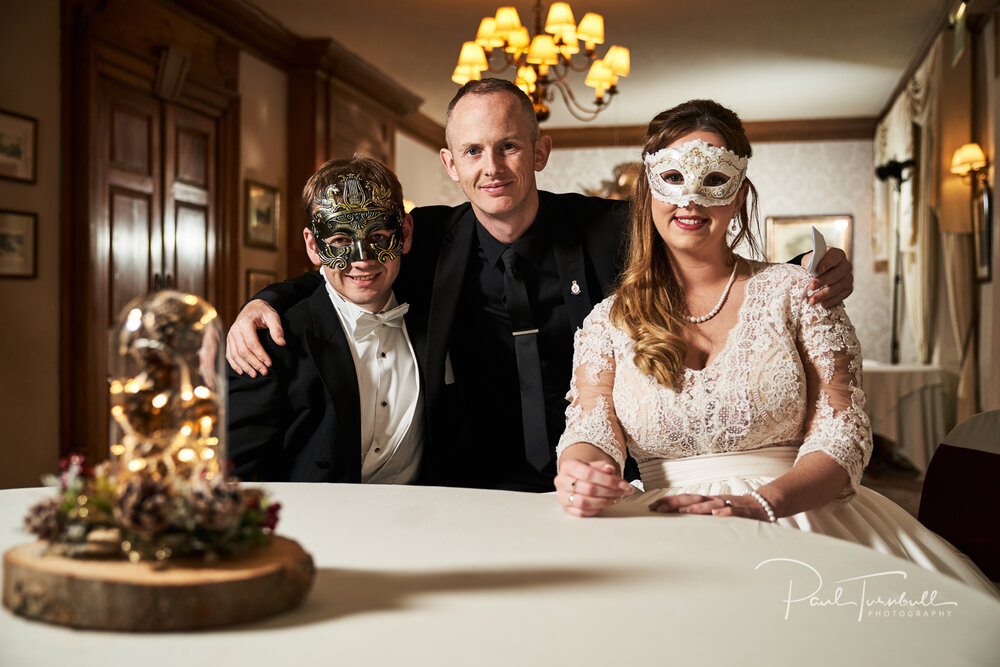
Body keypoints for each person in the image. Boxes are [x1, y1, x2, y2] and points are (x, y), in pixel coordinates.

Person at [226, 79, 854, 492]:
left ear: (541, 151)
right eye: (472, 151)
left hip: (602, 475)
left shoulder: (612, 230)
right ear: (450, 164)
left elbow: (702, 245)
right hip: (466, 480)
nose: (491, 168)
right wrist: (263, 302)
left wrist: (812, 266)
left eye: (508, 147)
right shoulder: (424, 239)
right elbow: (343, 266)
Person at [553, 99, 996, 594]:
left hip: (801, 519)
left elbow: (844, 434)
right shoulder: (608, 320)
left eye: (714, 179)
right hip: (663, 530)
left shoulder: (802, 292)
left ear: (740, 194)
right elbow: (591, 428)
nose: (691, 200)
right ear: (647, 193)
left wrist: (764, 504)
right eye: (673, 177)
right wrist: (581, 471)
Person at [227, 156, 424, 484]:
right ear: (313, 245)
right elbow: (236, 473)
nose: (362, 260)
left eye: (377, 237)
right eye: (341, 241)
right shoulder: (267, 340)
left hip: (424, 522)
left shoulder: (436, 308)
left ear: (404, 233)